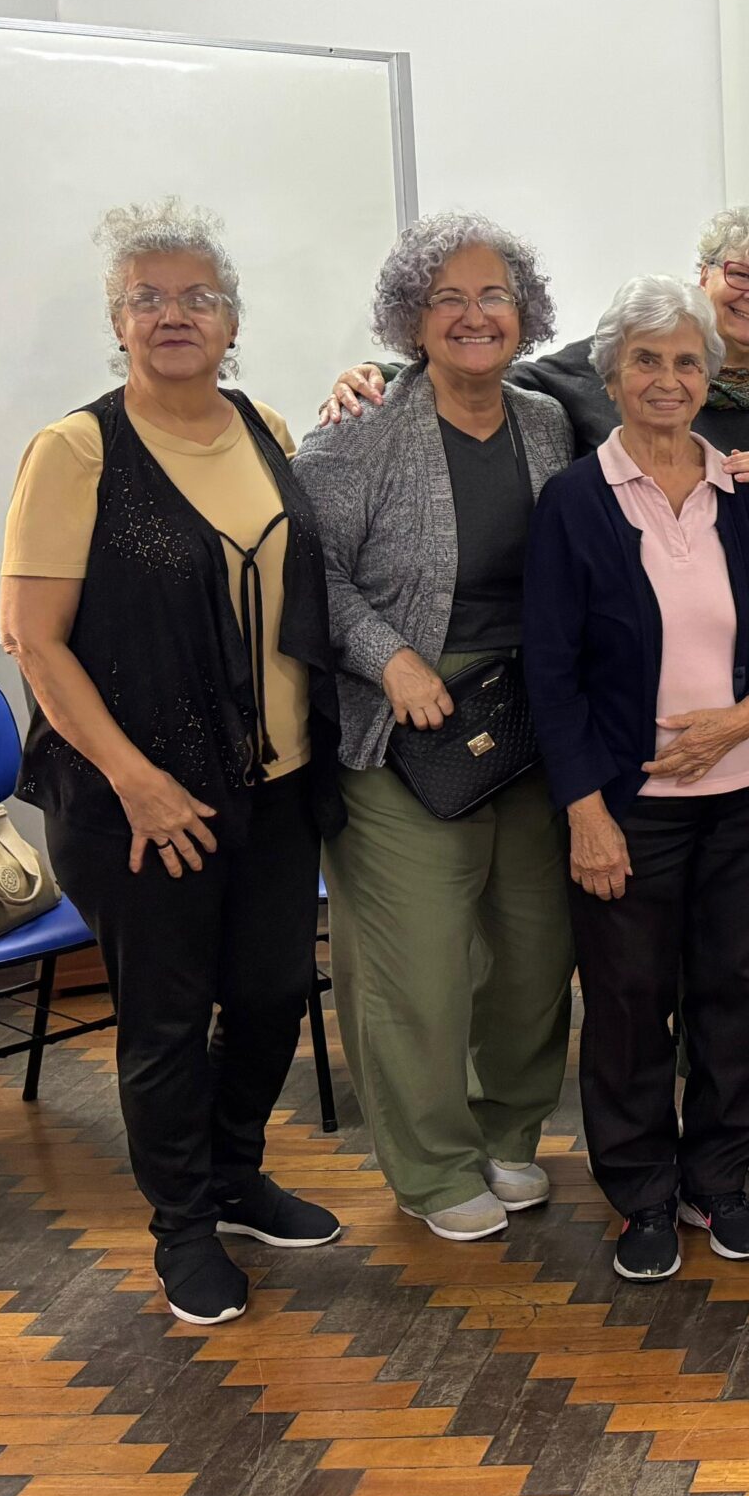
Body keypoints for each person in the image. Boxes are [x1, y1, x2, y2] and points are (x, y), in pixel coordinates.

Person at [0, 201, 345, 1328]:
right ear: (118, 322)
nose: (173, 315)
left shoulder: (267, 429)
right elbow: (33, 639)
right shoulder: (76, 450)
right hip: (140, 801)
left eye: (196, 295)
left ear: (232, 320)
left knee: (270, 994)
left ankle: (237, 1175)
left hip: (279, 783)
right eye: (147, 297)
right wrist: (136, 780)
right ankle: (183, 1230)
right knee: (161, 1020)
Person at [523, 277, 749, 1282]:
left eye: (686, 361)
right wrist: (585, 813)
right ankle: (642, 1191)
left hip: (744, 797)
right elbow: (550, 672)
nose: (667, 379)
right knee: (626, 997)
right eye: (646, 361)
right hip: (626, 806)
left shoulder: (747, 491)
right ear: (611, 375)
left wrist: (745, 719)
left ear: (710, 377)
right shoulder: (575, 503)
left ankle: (721, 1180)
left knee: (733, 991)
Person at [292, 214, 577, 1244]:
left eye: (493, 294)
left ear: (524, 311)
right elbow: (303, 568)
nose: (472, 314)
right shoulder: (361, 428)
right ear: (411, 320)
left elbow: (655, 391)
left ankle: (509, 1134)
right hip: (401, 728)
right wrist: (389, 655)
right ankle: (428, 1162)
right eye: (446, 298)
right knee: (414, 960)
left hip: (534, 716)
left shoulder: (548, 421)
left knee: (538, 948)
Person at [320, 206, 749, 505]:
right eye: (742, 275)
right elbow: (482, 376)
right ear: (703, 274)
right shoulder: (610, 363)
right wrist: (387, 375)